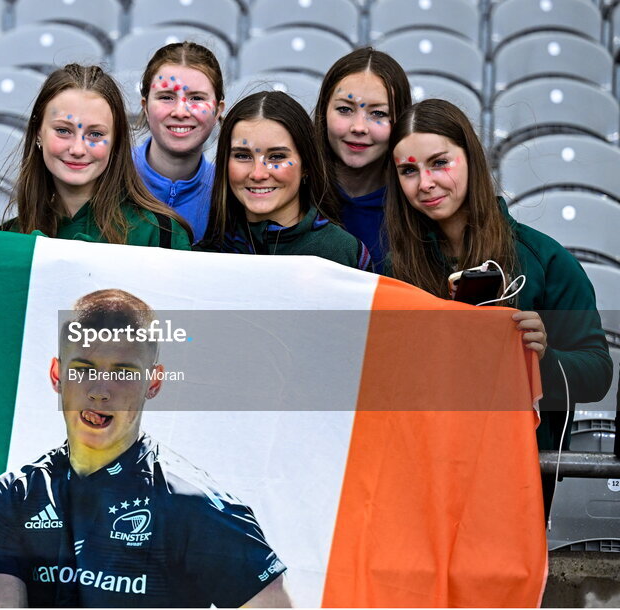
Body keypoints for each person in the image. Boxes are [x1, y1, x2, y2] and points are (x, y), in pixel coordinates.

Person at [0, 289, 291, 608]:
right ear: (57, 374)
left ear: (153, 382)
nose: (99, 391)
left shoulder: (196, 507)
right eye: (82, 369)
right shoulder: (9, 498)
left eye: (122, 372)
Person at [384, 99, 612, 517]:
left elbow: (597, 373)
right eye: (409, 171)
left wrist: (541, 356)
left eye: (440, 163)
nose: (425, 183)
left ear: (470, 159)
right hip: (418, 479)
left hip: (513, 481)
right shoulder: (392, 270)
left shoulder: (544, 258)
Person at [5, 64, 192, 249]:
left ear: (116, 140)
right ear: (38, 133)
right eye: (63, 130)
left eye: (95, 134)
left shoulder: (160, 234)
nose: (78, 149)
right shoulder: (10, 236)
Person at [196, 91, 372, 271]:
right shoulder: (205, 258)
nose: (258, 174)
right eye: (242, 156)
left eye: (277, 157)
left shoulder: (342, 254)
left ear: (306, 165)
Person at [314, 47, 411, 266]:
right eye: (345, 109)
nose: (359, 127)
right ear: (323, 113)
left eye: (378, 113)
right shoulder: (291, 193)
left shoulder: (421, 200)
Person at [132, 41, 225, 242]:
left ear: (218, 110)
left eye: (196, 98)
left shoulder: (230, 192)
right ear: (145, 107)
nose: (181, 112)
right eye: (166, 97)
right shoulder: (109, 174)